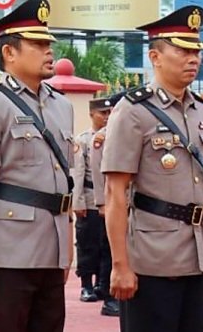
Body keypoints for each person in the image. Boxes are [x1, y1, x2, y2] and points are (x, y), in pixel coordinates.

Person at [101, 5, 203, 332]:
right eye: (183, 51)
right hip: (152, 257)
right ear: (155, 57)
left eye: (196, 52)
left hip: (197, 253)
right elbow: (115, 193)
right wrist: (120, 265)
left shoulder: (202, 111)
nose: (193, 59)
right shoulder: (133, 110)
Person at [0, 0, 75, 332]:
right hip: (6, 254)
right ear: (9, 52)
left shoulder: (62, 106)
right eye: (38, 44)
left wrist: (65, 252)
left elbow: (64, 184)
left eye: (48, 43)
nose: (48, 50)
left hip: (50, 250)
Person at [72, 97, 113, 303]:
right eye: (102, 113)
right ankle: (86, 285)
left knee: (107, 244)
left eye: (109, 113)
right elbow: (78, 173)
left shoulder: (112, 136)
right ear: (91, 114)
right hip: (89, 199)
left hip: (110, 198)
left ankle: (102, 284)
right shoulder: (83, 140)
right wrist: (78, 202)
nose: (106, 117)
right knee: (87, 243)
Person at [88, 93, 124, 317]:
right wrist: (102, 204)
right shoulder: (102, 137)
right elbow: (98, 174)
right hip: (111, 204)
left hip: (131, 205)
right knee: (110, 251)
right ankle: (110, 298)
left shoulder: (129, 133)